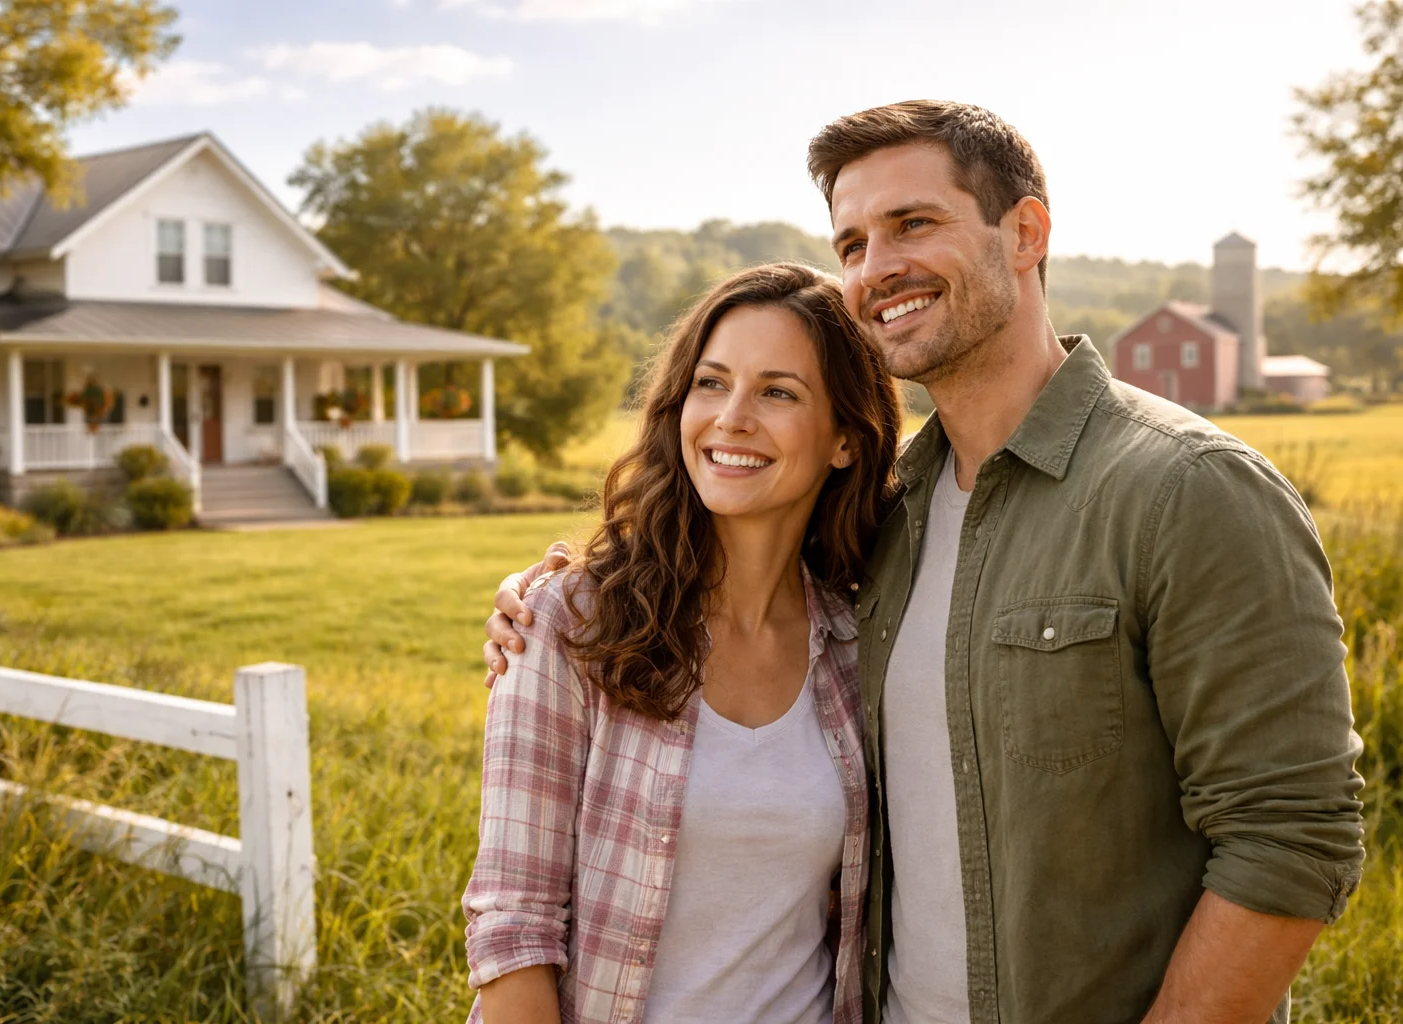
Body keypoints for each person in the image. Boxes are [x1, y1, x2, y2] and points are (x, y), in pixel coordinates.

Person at [484, 101, 1366, 1024]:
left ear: (1025, 233)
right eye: (853, 242)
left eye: (914, 224)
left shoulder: (1185, 490)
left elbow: (1292, 834)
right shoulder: (887, 522)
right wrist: (547, 605)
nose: (877, 267)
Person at [463, 262, 903, 1023]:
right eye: (711, 382)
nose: (731, 417)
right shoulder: (570, 624)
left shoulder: (857, 645)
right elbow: (513, 933)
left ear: (844, 440)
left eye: (777, 391)